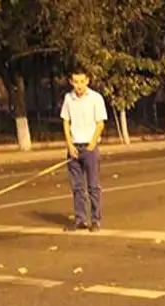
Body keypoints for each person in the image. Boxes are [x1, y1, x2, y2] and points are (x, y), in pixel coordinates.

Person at [60, 68, 108, 232]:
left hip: (89, 147)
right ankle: (80, 219)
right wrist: (69, 145)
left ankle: (95, 220)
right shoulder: (68, 98)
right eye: (75, 82)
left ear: (87, 81)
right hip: (74, 148)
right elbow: (66, 122)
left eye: (82, 81)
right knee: (77, 187)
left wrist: (92, 145)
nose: (79, 86)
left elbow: (100, 124)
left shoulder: (95, 98)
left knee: (93, 186)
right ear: (71, 82)